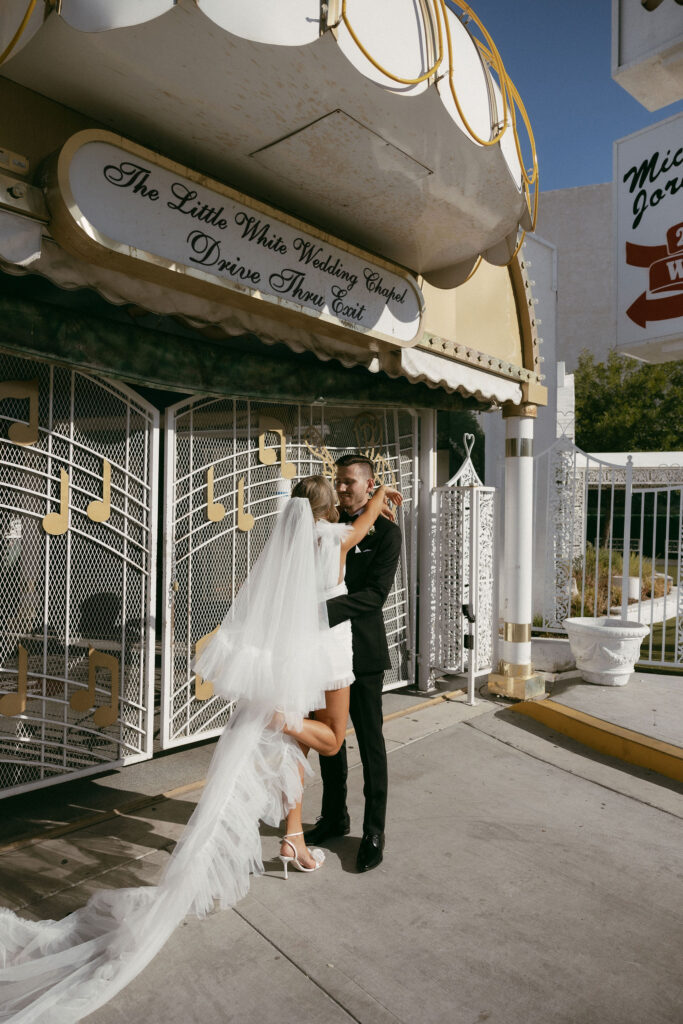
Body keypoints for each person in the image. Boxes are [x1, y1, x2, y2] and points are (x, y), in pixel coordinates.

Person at [0, 474, 401, 1022]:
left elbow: (355, 528)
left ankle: (294, 841)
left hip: (296, 654)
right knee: (328, 741)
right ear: (328, 513)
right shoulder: (333, 538)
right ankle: (284, 743)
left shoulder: (293, 544)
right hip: (328, 655)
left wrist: (373, 502)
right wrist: (382, 498)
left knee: (293, 754)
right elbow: (360, 526)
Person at [304, 454, 402, 873]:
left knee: (371, 743)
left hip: (362, 653)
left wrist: (319, 611)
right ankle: (334, 816)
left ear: (369, 484)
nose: (342, 490)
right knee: (331, 738)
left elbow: (375, 597)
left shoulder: (386, 532)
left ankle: (374, 830)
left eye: (349, 483)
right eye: (338, 483)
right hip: (324, 650)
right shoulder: (325, 527)